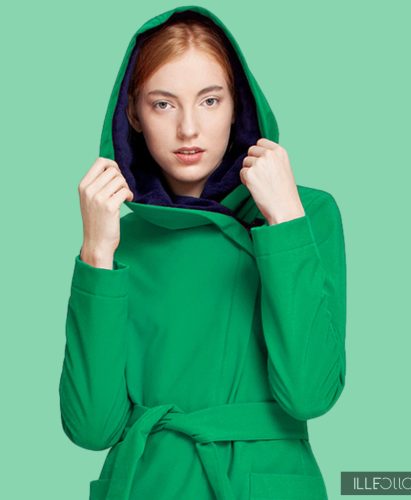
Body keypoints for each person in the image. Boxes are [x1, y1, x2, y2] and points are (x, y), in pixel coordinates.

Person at [58, 5, 347, 500]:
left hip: (262, 484)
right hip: (150, 484)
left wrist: (284, 222)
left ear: (237, 106)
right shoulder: (117, 239)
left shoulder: (305, 214)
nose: (188, 129)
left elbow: (309, 394)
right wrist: (96, 255)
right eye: (163, 104)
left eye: (210, 101)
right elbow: (91, 428)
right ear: (134, 114)